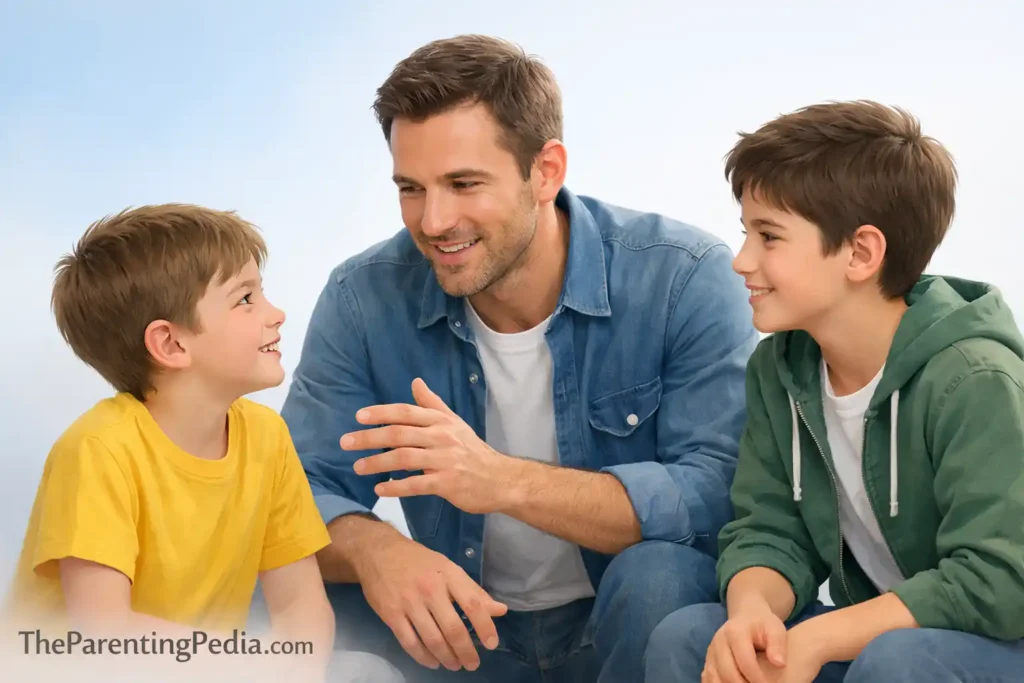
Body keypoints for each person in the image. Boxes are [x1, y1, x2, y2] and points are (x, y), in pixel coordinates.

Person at [279, 34, 758, 683]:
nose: (434, 219)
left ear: (546, 171)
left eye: (463, 183)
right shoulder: (361, 298)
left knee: (660, 574)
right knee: (271, 583)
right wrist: (377, 548)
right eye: (411, 188)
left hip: (623, 626)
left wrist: (501, 479)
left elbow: (717, 494)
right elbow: (293, 490)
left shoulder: (684, 278)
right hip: (457, 635)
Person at [644, 100, 1024, 682]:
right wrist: (752, 615)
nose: (742, 260)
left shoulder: (975, 380)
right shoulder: (781, 368)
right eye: (746, 232)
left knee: (895, 661)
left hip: (990, 647)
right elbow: (769, 530)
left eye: (769, 236)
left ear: (861, 253)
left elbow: (999, 581)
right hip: (878, 646)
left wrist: (820, 636)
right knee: (694, 639)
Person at [2, 205, 402, 682]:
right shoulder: (97, 451)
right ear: (171, 345)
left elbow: (300, 605)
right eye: (246, 299)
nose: (276, 314)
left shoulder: (266, 438)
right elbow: (105, 636)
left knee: (368, 673)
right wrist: (249, 666)